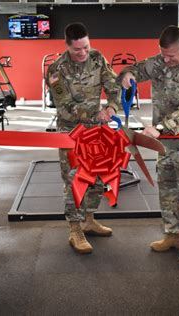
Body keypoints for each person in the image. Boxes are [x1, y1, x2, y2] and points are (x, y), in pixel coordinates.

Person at [118, 26, 179, 267]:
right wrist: (128, 75)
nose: (166, 60)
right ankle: (173, 235)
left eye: (171, 55)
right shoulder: (160, 62)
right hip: (165, 144)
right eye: (163, 54)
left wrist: (161, 127)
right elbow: (137, 69)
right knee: (168, 189)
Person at [45, 22, 120, 254]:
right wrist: (94, 114)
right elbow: (65, 108)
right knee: (75, 180)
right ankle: (75, 229)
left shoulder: (97, 58)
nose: (83, 53)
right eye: (77, 49)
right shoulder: (57, 71)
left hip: (97, 130)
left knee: (98, 177)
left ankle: (89, 219)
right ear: (67, 46)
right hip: (71, 133)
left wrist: (112, 107)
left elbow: (113, 85)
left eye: (86, 47)